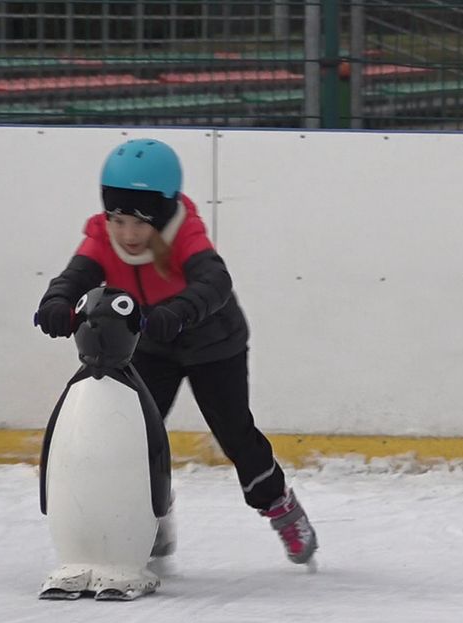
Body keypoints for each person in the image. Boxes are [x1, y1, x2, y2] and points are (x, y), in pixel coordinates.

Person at [35, 138, 319, 564]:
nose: (127, 234)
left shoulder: (185, 233)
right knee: (134, 436)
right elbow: (72, 279)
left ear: (163, 216)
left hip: (214, 344)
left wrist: (178, 312)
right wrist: (56, 306)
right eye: (117, 218)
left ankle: (279, 505)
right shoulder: (101, 238)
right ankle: (154, 512)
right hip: (150, 345)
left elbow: (215, 282)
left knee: (236, 435)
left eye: (139, 222)